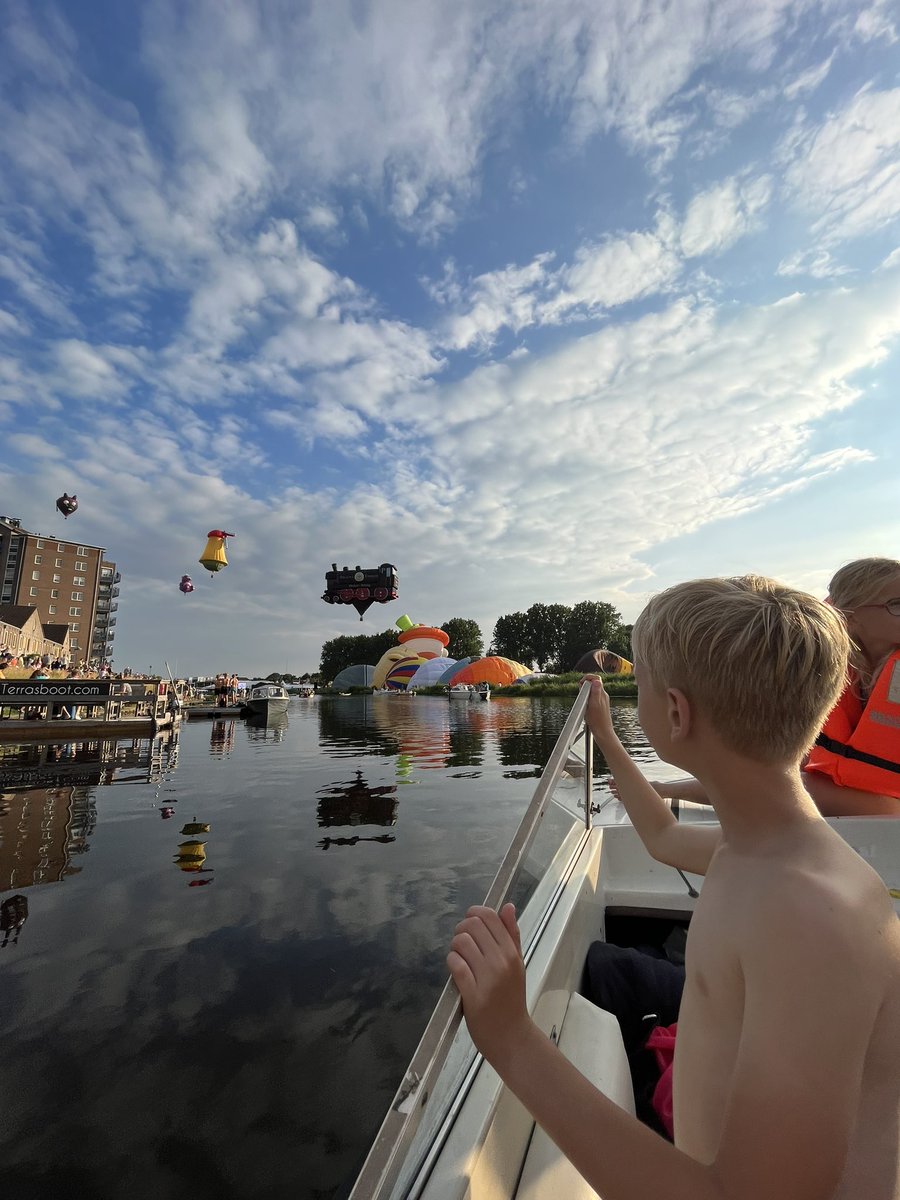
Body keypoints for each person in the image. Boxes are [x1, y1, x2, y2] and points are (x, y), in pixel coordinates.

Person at [448, 576, 900, 1200]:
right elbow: (661, 838)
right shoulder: (767, 848)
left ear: (677, 713)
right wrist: (607, 736)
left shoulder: (807, 917)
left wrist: (510, 1038)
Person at [648, 557, 900, 817]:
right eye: (897, 605)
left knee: (782, 782)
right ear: (851, 615)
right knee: (775, 771)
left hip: (890, 810)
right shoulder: (826, 670)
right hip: (855, 805)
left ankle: (666, 790)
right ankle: (665, 789)